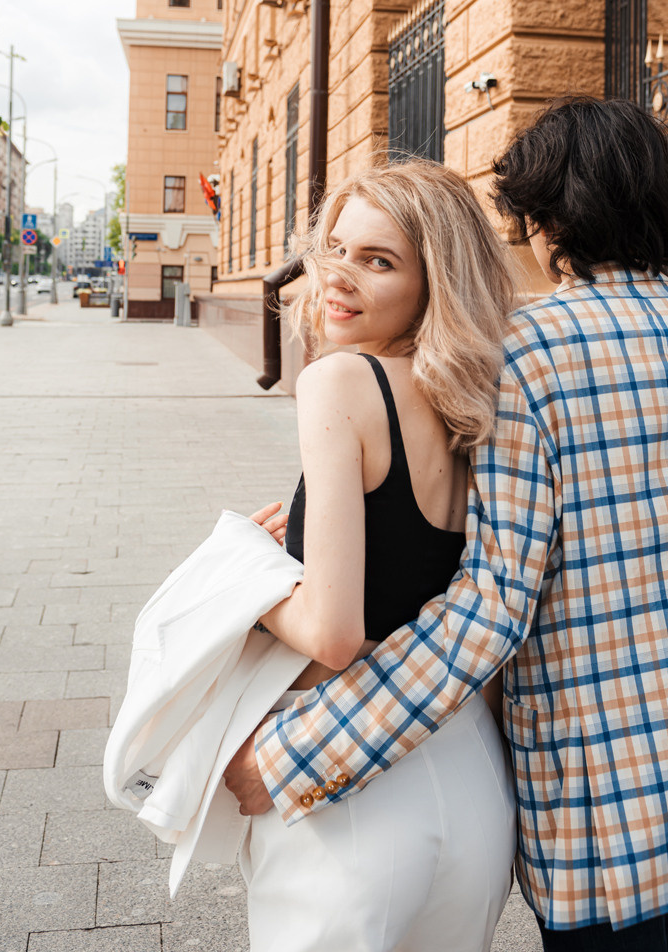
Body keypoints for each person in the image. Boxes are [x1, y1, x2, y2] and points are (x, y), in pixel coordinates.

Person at [226, 96, 668, 952]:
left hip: (595, 803)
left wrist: (296, 755)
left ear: (539, 221)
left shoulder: (526, 357)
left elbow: (490, 606)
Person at [231, 158, 518, 952]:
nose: (338, 276)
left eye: (378, 260)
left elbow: (331, 631)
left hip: (349, 789)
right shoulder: (481, 402)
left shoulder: (340, 382)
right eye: (334, 248)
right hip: (468, 774)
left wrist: (247, 579)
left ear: (436, 283)